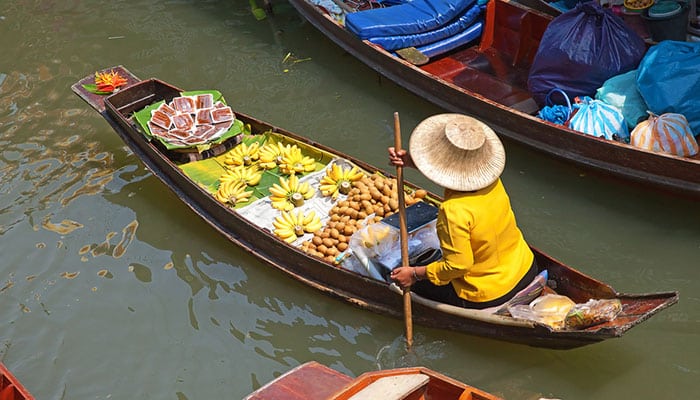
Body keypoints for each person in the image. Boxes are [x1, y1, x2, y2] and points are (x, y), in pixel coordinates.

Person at [388, 113, 538, 310]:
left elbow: (458, 266)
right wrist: (410, 161)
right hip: (526, 266)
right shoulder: (492, 181)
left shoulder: (454, 211)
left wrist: (414, 274)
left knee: (395, 275)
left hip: (489, 293)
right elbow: (457, 171)